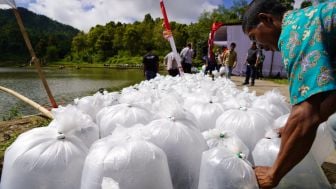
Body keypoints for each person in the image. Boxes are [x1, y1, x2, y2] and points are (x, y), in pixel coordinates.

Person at [242, 0, 336, 188]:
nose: (259, 46)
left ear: (266, 19)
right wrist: (292, 128)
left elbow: (306, 115)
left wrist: (273, 174)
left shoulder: (295, 31)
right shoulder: (311, 20)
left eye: (254, 37)